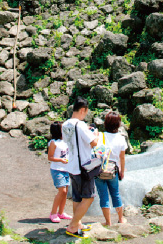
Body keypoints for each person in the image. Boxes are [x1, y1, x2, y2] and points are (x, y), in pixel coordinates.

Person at [62, 97, 99, 237]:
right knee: (89, 197)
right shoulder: (81, 125)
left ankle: (78, 224)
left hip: (71, 166)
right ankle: (73, 225)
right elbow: (94, 142)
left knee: (77, 197)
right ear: (83, 110)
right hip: (83, 167)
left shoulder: (65, 125)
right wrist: (94, 133)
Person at [94, 111, 128, 226]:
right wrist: (122, 171)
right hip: (113, 170)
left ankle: (108, 222)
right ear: (118, 124)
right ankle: (121, 219)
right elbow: (122, 158)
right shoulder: (121, 139)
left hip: (99, 169)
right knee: (115, 194)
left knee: (103, 196)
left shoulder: (99, 136)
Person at [47, 122, 72, 223]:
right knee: (62, 191)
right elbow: (50, 157)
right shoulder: (53, 142)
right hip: (57, 169)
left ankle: (61, 213)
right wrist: (61, 160)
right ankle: (53, 213)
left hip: (66, 169)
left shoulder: (65, 141)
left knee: (65, 193)